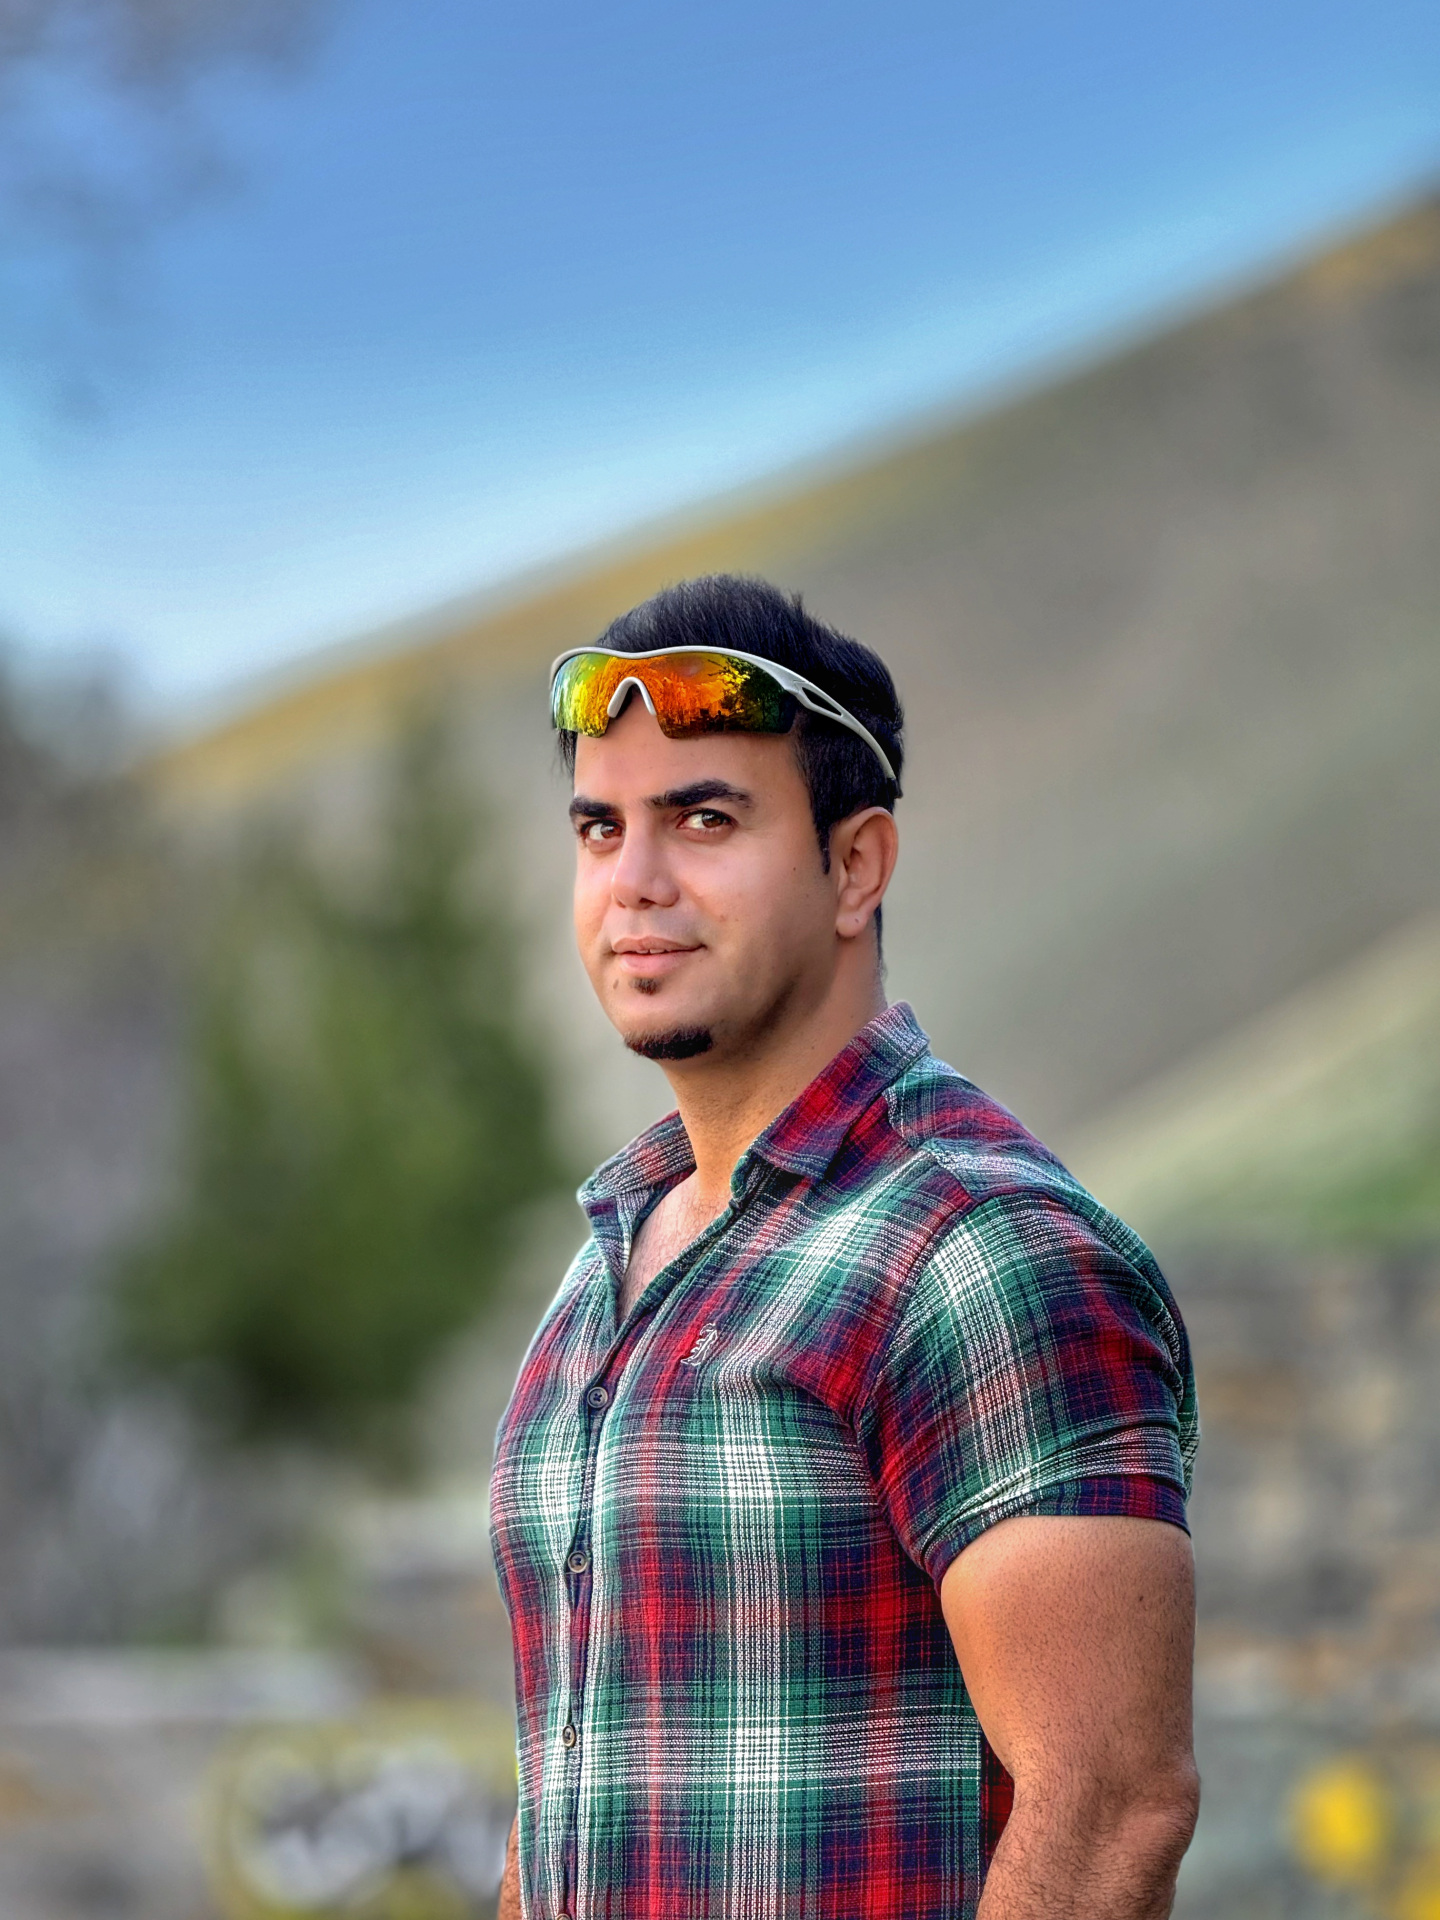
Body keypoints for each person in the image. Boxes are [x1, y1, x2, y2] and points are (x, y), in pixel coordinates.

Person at [490, 575, 1199, 1920]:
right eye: (600, 828)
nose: (635, 883)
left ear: (856, 866)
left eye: (705, 819)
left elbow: (1112, 1811)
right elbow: (572, 1791)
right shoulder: (609, 1267)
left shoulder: (979, 1251)